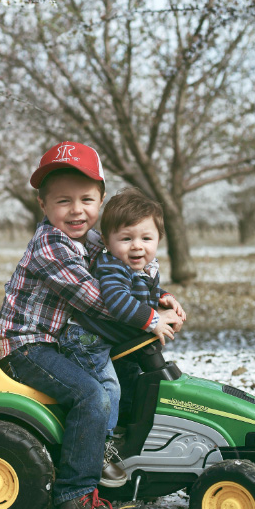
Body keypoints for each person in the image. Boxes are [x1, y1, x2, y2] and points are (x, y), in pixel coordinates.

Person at [0, 141, 135, 509]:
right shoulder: (50, 244)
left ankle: (103, 449)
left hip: (59, 342)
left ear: (101, 200)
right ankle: (74, 502)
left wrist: (157, 298)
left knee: (123, 369)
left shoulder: (91, 241)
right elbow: (94, 298)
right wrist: (148, 317)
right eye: (63, 201)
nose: (77, 210)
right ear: (43, 205)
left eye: (87, 199)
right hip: (27, 346)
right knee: (91, 395)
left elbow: (121, 272)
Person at [72, 187, 186, 449]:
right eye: (126, 239)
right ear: (107, 241)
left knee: (132, 377)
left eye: (146, 238)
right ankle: (102, 446)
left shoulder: (145, 266)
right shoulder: (112, 266)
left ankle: (126, 426)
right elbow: (118, 301)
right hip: (87, 340)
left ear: (159, 239)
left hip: (114, 339)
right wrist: (154, 320)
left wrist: (163, 297)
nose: (137, 246)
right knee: (108, 387)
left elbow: (143, 290)